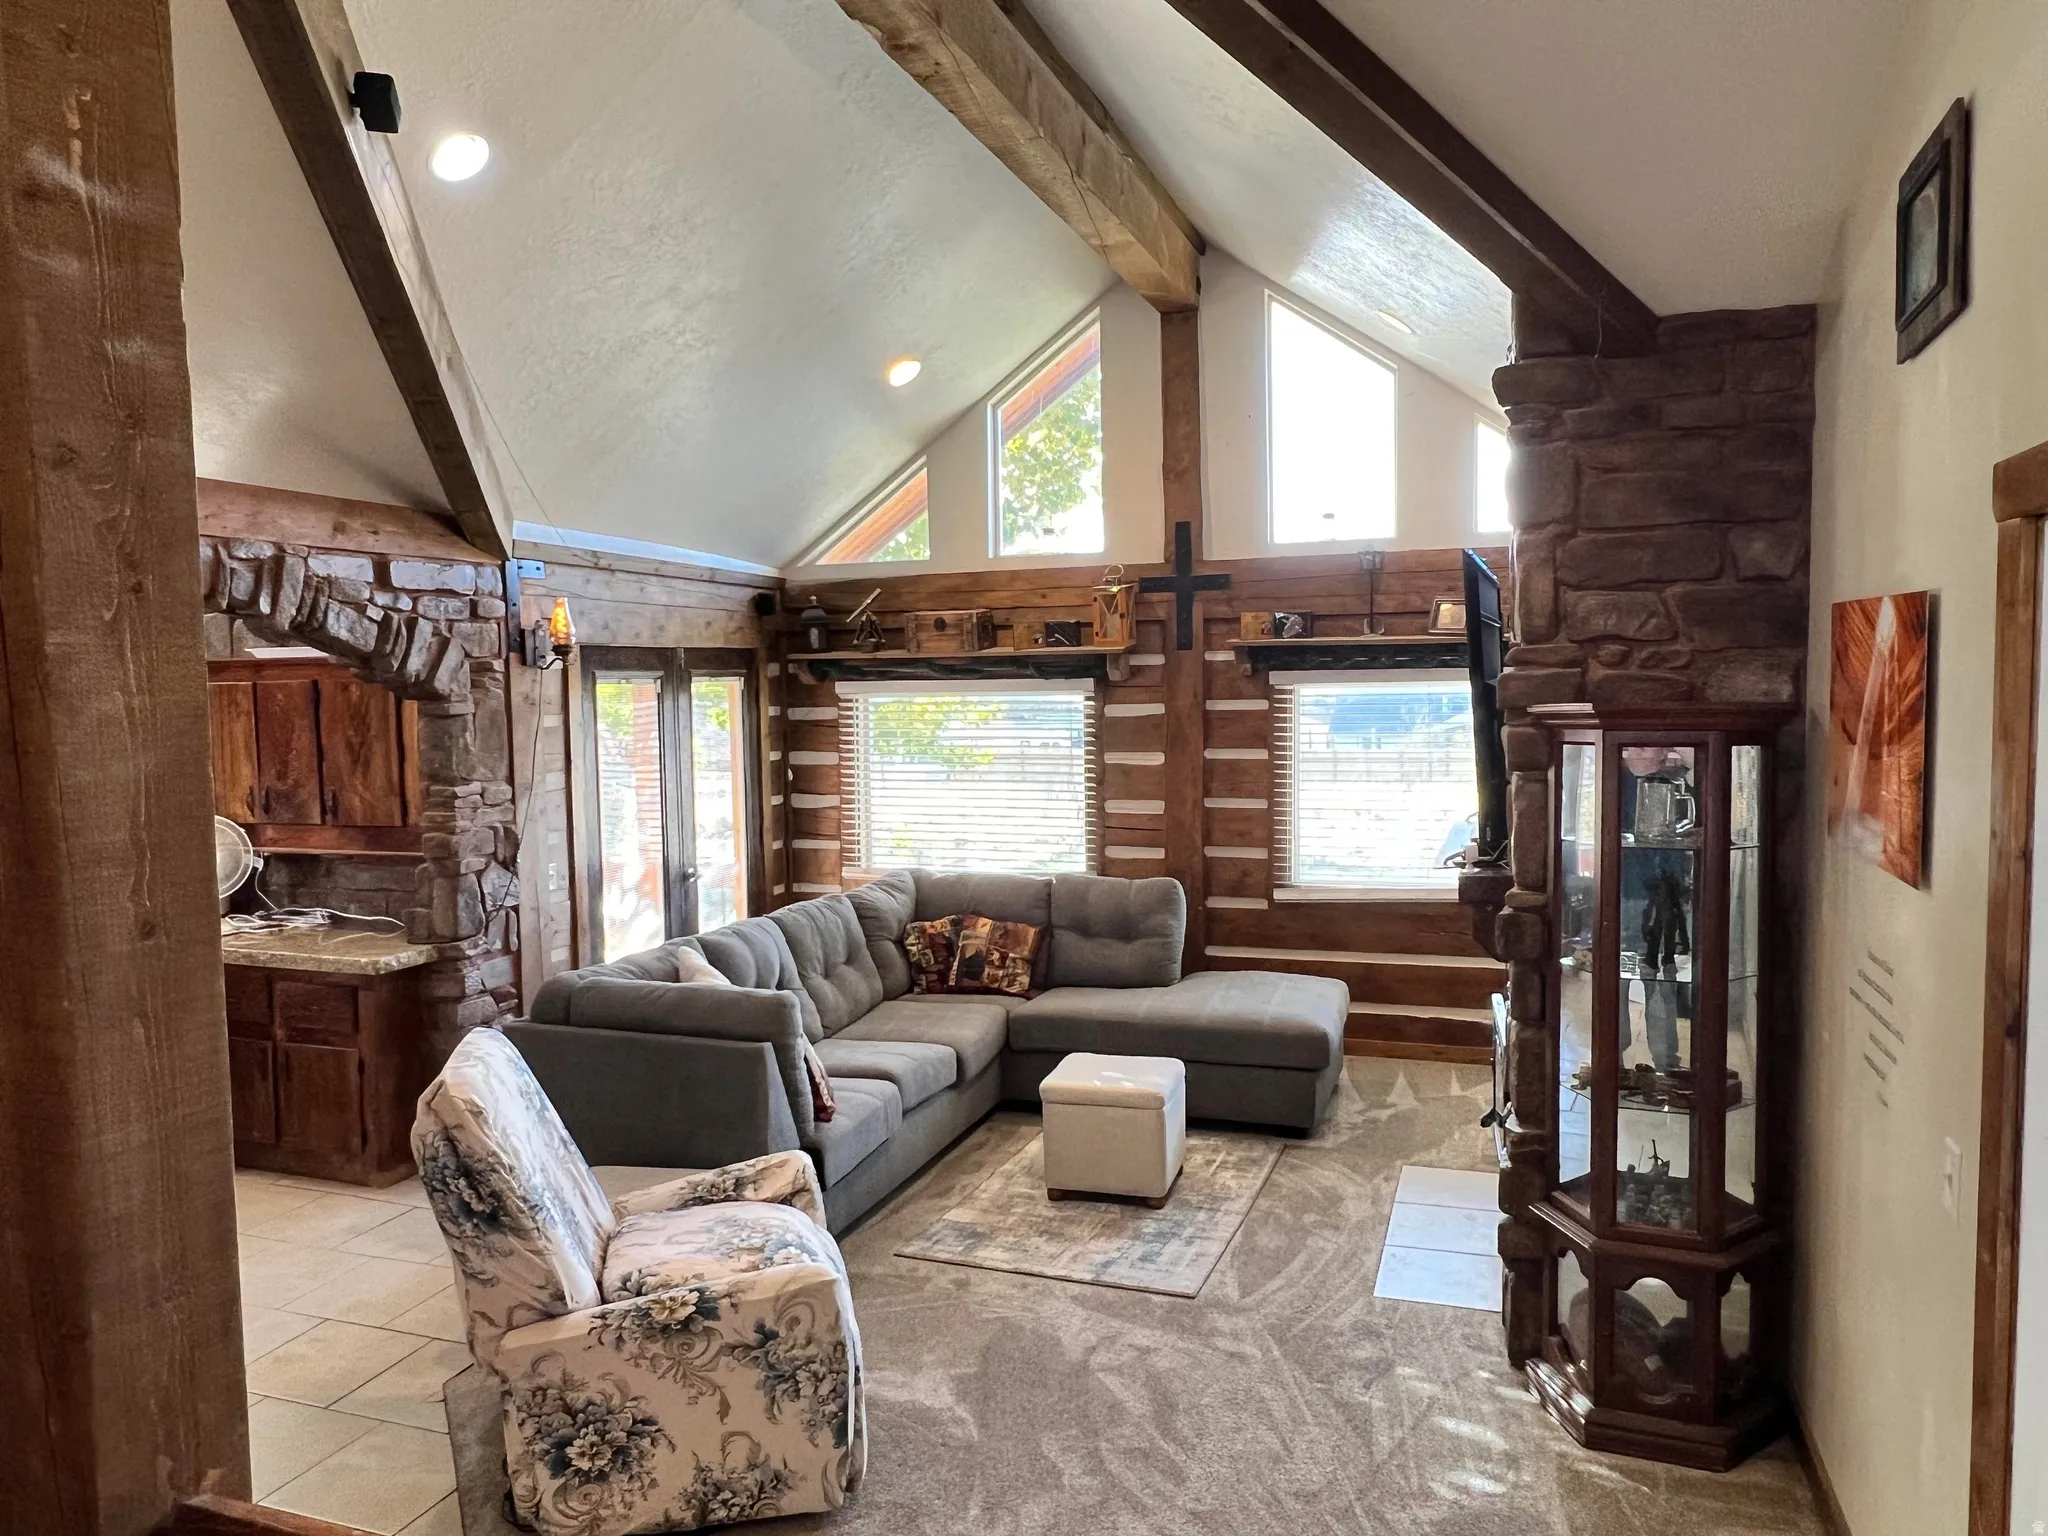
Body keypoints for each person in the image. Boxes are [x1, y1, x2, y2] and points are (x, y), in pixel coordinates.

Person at [1619, 747, 1696, 1074]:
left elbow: (1694, 833)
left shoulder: (1676, 783)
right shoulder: (1611, 781)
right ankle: (1611, 1060)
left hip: (1664, 897)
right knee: (1615, 981)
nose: (1652, 751)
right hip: (1621, 895)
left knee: (1662, 980)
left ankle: (1667, 1064)